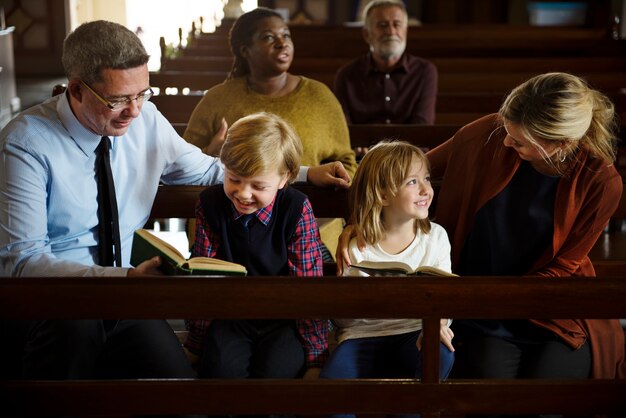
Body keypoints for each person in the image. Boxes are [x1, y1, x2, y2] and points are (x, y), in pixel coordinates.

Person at [0, 20, 349, 382]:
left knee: (183, 390)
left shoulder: (146, 121)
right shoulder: (26, 144)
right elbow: (22, 262)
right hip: (56, 305)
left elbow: (214, 172)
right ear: (76, 89)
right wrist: (125, 278)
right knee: (76, 364)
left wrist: (304, 174)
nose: (134, 111)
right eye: (119, 100)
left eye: (142, 94)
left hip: (127, 302)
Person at [337, 73, 625, 392]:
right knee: (488, 389)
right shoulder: (490, 131)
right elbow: (395, 180)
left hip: (550, 308)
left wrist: (496, 297)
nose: (505, 142)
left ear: (561, 143)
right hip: (478, 306)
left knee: (548, 389)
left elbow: (562, 268)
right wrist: (359, 223)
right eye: (507, 130)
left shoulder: (601, 181)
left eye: (519, 141)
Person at [184, 112, 328, 380]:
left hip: (283, 320)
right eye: (234, 179)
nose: (243, 193)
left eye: (258, 185)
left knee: (276, 376)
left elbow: (307, 288)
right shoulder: (210, 205)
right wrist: (197, 342)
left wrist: (315, 357)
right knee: (220, 372)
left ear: (284, 178)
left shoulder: (296, 209)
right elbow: (203, 278)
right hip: (230, 318)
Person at [319, 141, 454, 418]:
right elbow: (342, 319)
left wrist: (440, 323)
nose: (426, 189)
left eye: (426, 179)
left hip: (415, 333)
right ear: (382, 195)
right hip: (362, 338)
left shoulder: (436, 237)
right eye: (412, 182)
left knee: (442, 353)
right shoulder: (356, 246)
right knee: (332, 389)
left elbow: (446, 297)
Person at [182, 7, 357, 178]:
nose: (282, 43)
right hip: (238, 202)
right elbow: (184, 165)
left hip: (309, 203)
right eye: (268, 37)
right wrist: (211, 154)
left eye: (286, 35)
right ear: (245, 50)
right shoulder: (217, 99)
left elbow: (346, 163)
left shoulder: (319, 95)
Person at [333, 0, 438, 125]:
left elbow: (422, 126)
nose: (391, 32)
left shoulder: (424, 71)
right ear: (366, 34)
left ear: (405, 31)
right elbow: (343, 129)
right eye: (382, 25)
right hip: (361, 145)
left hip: (409, 145)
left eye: (397, 24)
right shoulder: (346, 75)